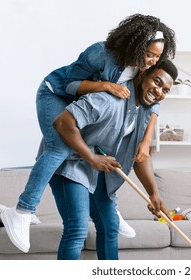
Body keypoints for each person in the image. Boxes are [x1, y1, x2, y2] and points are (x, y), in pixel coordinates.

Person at [1, 14, 176, 253]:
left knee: (108, 225)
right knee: (60, 148)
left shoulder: (140, 75)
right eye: (150, 54)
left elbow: (154, 99)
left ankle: (108, 212)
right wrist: (104, 86)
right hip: (56, 93)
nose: (152, 61)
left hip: (83, 123)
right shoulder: (103, 60)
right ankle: (23, 210)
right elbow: (70, 86)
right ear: (136, 46)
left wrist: (146, 142)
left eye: (157, 57)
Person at [50, 59, 177, 260]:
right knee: (77, 229)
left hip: (98, 168)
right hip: (71, 163)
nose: (160, 91)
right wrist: (91, 157)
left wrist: (154, 193)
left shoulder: (145, 110)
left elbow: (139, 156)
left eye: (166, 90)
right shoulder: (109, 98)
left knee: (110, 227)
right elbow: (63, 123)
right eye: (157, 82)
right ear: (143, 74)